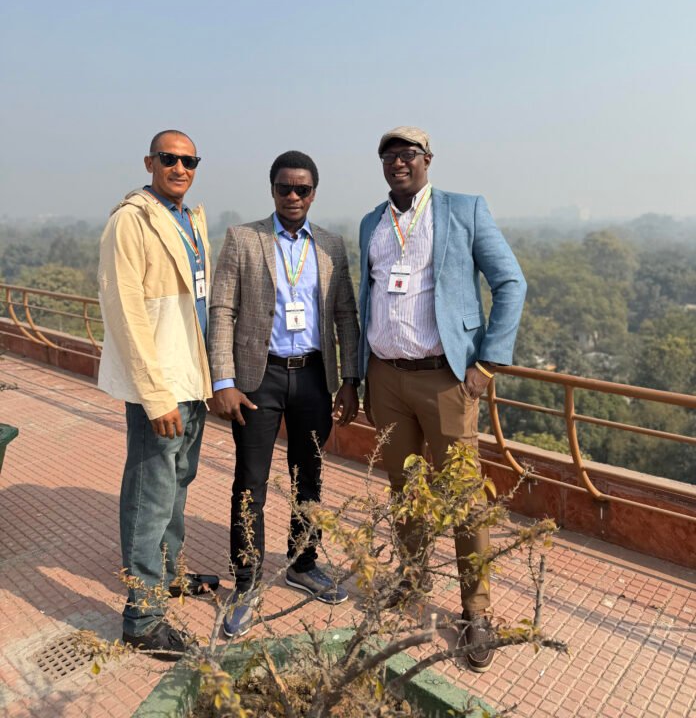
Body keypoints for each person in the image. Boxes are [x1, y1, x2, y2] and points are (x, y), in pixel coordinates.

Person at [358, 126, 526, 673]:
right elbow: (369, 297)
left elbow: (511, 283)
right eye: (389, 155)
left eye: (408, 154)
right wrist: (361, 374)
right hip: (386, 378)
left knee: (462, 498)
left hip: (447, 378)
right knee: (405, 489)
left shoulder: (464, 209)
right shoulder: (372, 224)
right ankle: (410, 584)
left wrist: (485, 364)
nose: (397, 163)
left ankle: (475, 610)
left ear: (428, 160)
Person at [208, 150, 360, 638]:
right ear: (271, 189)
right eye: (284, 188)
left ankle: (302, 561)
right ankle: (247, 580)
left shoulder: (332, 246)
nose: (293, 197)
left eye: (302, 189)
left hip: (313, 376)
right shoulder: (244, 238)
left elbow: (346, 318)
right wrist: (224, 380)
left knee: (309, 476)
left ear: (314, 192)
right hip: (260, 378)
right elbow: (223, 309)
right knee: (249, 482)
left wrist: (350, 380)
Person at [98, 130, 217, 654]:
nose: (180, 167)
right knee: (150, 495)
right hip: (162, 386)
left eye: (189, 160)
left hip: (191, 378)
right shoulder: (131, 219)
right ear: (150, 162)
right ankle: (142, 619)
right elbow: (123, 312)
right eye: (169, 158)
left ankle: (168, 575)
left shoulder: (191, 218)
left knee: (177, 484)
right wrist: (154, 394)